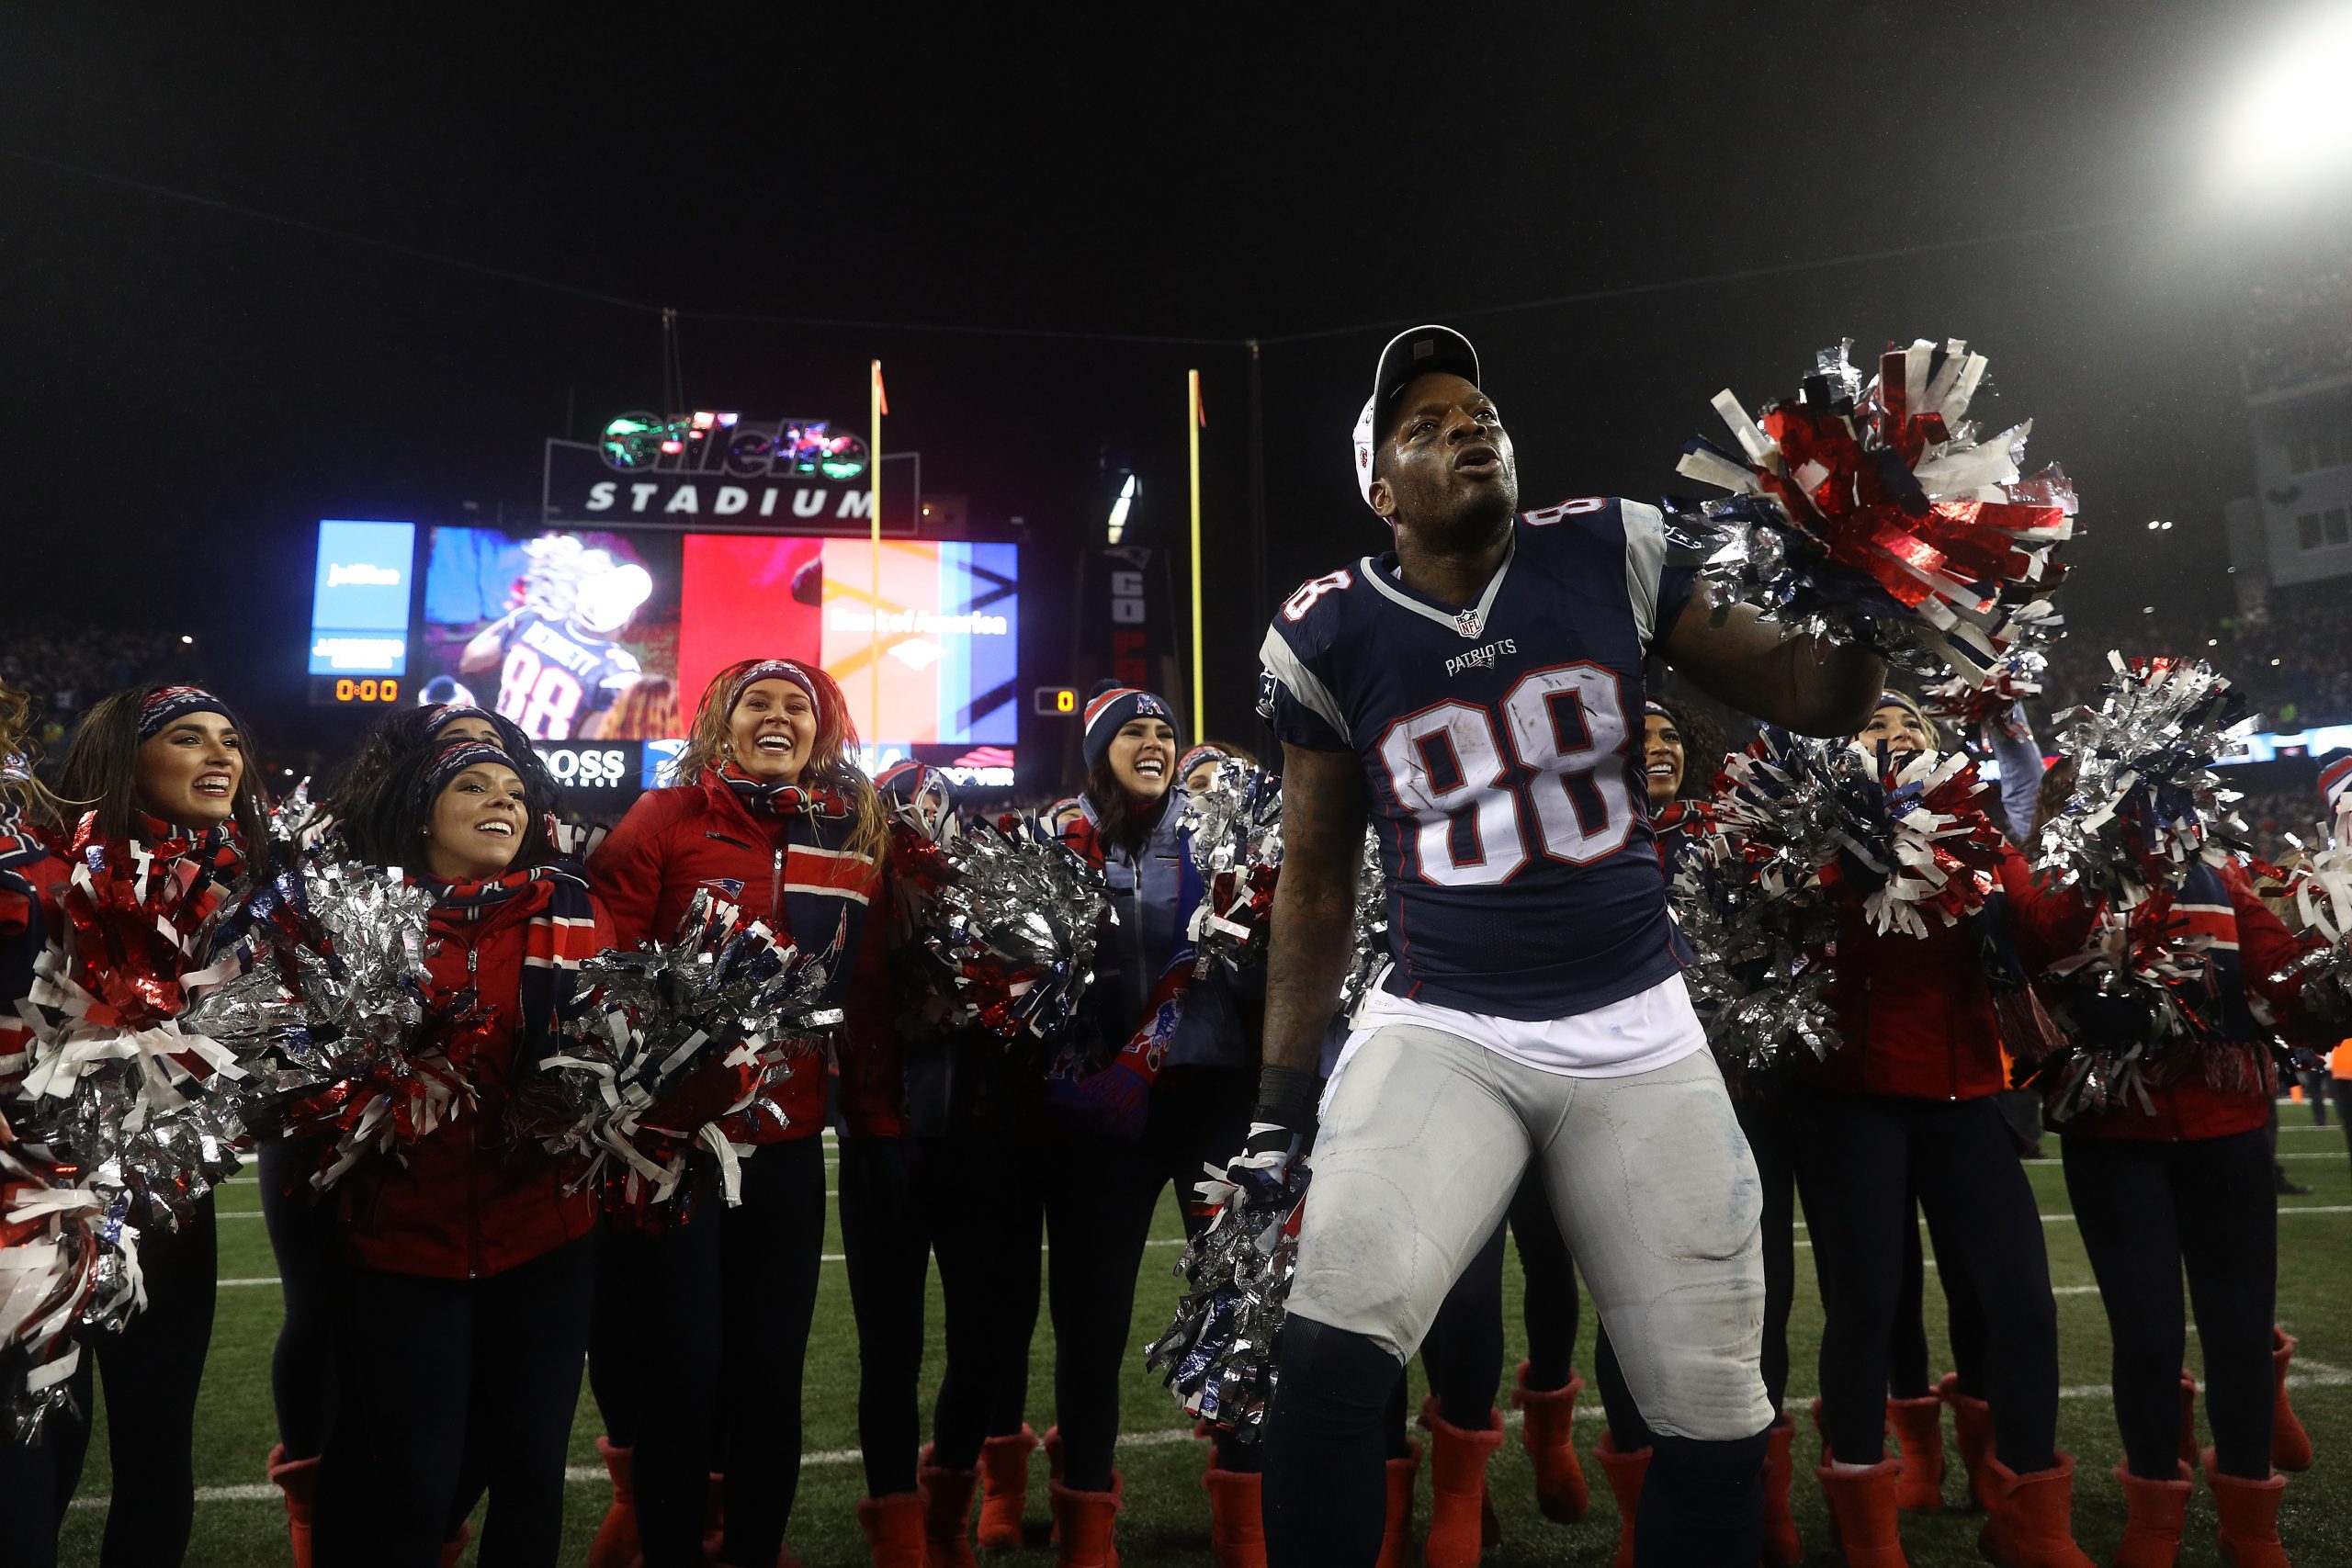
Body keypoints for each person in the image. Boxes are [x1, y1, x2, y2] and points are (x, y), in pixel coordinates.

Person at [1252, 325, 1884, 1568]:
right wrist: (1280, 1102)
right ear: (1381, 490)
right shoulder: (1327, 629)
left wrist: (1863, 601)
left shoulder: (1610, 544)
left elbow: (1817, 698)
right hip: (1447, 1020)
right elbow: (1317, 881)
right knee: (1326, 1344)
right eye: (1424, 428)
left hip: (1638, 1021)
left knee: (1716, 1403)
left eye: (1477, 411)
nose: (1468, 427)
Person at [583, 658, 890, 1568]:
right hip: (675, 1144)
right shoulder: (661, 819)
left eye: (796, 705)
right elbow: (606, 966)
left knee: (769, 1371)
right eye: (756, 701)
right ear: (718, 725)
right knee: (682, 1371)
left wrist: (844, 1078)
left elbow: (856, 999)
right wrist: (683, 1040)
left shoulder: (848, 832)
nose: (777, 715)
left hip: (787, 1144)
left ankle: (754, 1548)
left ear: (818, 730)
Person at [1794, 693, 2098, 1568]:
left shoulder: (1977, 828)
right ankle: (1866, 1518)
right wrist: (1848, 857)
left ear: (1938, 747)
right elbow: (1787, 924)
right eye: (1871, 724)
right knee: (1865, 1308)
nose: (1892, 734)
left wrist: (2090, 868)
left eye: (1909, 726)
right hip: (1852, 1099)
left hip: (1966, 1096)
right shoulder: (1812, 823)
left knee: (2023, 1306)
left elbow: (2044, 930)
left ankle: (2030, 1517)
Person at [310, 738, 605, 1568]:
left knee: (530, 1474)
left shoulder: (575, 905)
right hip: (404, 1240)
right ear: (421, 814)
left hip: (544, 1235)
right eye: (473, 786)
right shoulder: (364, 916)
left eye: (513, 790)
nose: (499, 801)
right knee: (412, 1481)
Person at [2030, 755, 2331, 1568]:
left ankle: (2250, 1524)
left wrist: (2335, 962)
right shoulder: (2063, 884)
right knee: (2148, 1339)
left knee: (2237, 1335)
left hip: (2227, 1128)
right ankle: (2154, 1520)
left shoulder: (2222, 878)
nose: (2144, 810)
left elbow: (2291, 990)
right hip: (2115, 1135)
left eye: (2156, 793)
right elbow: (2036, 946)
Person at [261, 701, 546, 1560]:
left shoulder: (558, 895)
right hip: (381, 1197)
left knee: (507, 1449)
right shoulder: (346, 881)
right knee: (339, 1353)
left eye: (503, 762)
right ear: (415, 784)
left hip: (520, 1219)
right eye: (463, 764)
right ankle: (324, 1518)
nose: (490, 775)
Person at [0, 684, 272, 1568]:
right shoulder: (50, 874)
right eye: (189, 738)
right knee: (44, 1442)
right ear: (126, 759)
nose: (219, 754)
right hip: (49, 1205)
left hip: (169, 1205)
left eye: (229, 739)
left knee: (159, 1449)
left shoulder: (250, 895)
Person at [1031, 685, 1266, 1567]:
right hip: (1103, 1102)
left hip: (1210, 1092)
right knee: (1091, 1316)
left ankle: (1245, 1519)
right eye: (1134, 731)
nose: (1156, 742)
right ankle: (1087, 1519)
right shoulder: (1057, 837)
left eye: (1165, 731)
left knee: (1237, 1300)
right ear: (1099, 750)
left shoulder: (1219, 831)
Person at [834, 759, 1029, 1567]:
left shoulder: (993, 884)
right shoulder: (850, 887)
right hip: (884, 1139)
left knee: (984, 1342)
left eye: (937, 808)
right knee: (891, 1348)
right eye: (906, 810)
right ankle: (902, 1534)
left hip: (980, 1140)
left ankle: (947, 1505)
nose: (925, 820)